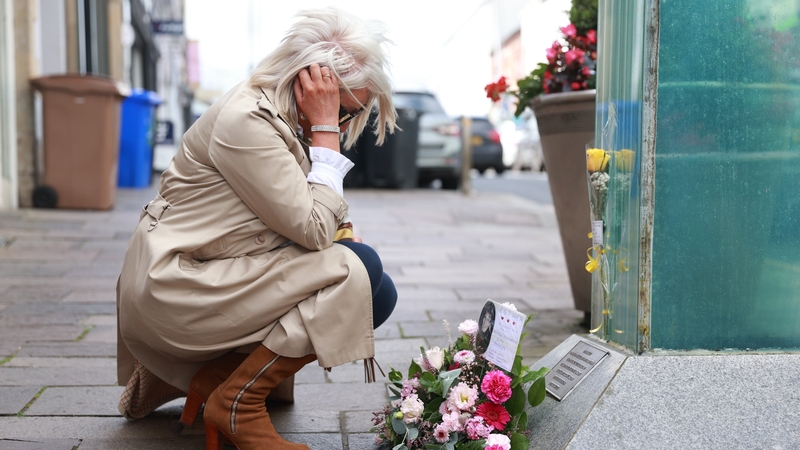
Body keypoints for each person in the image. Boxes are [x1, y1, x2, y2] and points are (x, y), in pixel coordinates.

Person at [115, 7, 398, 449]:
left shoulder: (278, 114)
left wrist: (341, 226)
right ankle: (236, 402)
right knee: (357, 268)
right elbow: (312, 227)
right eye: (344, 111)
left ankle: (208, 376)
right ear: (312, 84)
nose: (343, 125)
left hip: (211, 275)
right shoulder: (247, 121)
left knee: (375, 289)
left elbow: (312, 215)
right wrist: (325, 130)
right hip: (176, 285)